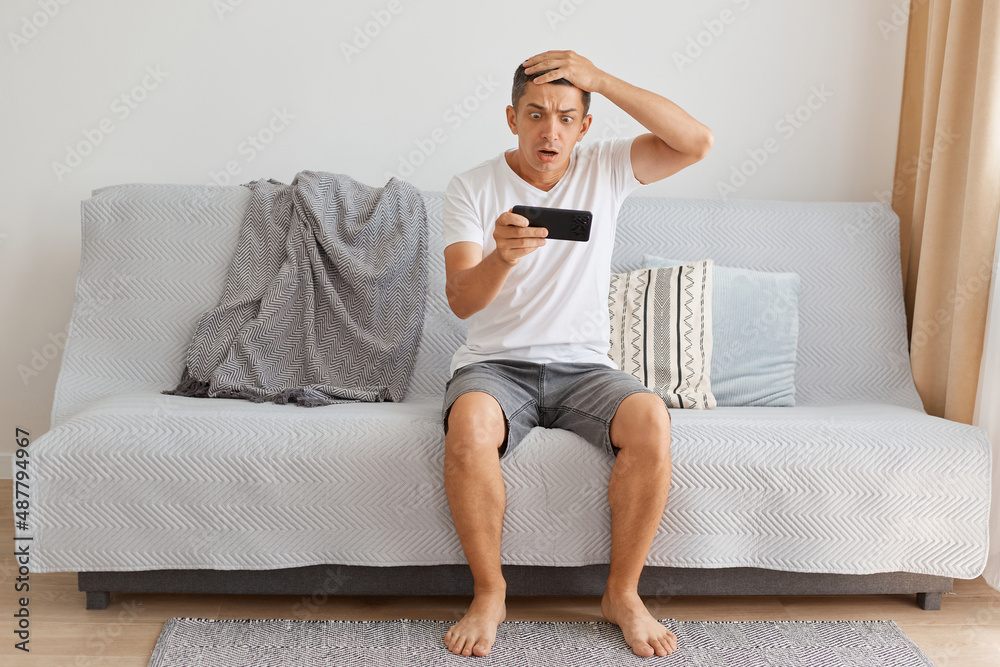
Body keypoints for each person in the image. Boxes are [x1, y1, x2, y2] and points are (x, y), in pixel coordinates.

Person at [440, 50, 713, 659]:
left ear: (585, 126)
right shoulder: (471, 187)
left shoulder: (608, 168)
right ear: (512, 118)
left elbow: (696, 142)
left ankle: (622, 594)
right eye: (536, 115)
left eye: (566, 116)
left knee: (649, 418)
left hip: (585, 367)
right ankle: (490, 593)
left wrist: (604, 81)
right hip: (495, 366)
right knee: (470, 424)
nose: (550, 130)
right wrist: (501, 258)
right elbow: (461, 300)